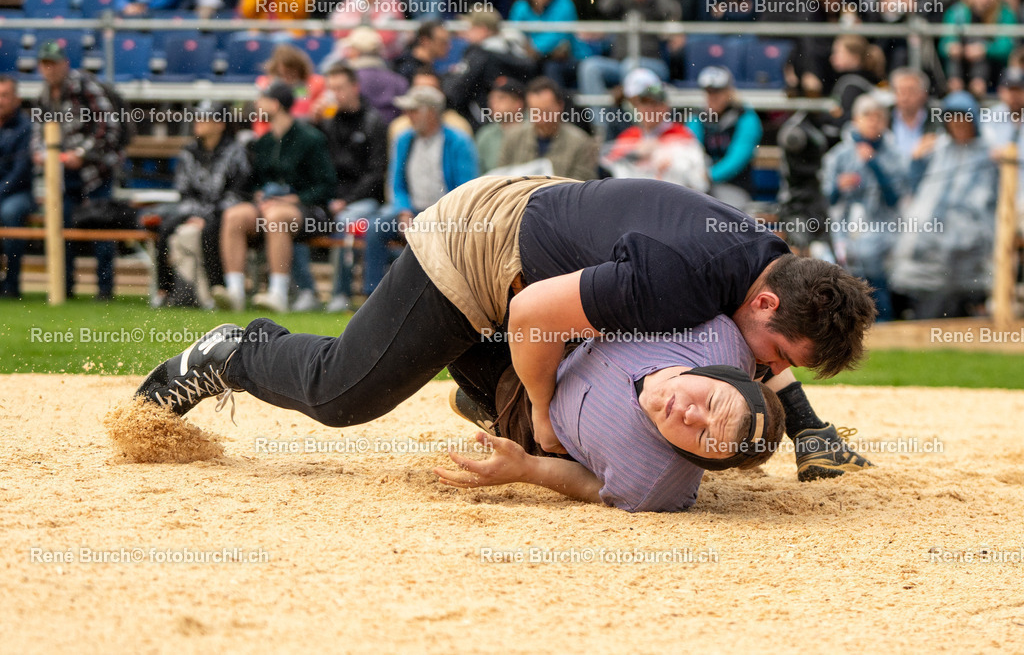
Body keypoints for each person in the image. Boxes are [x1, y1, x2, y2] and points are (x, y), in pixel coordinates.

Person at [136, 175, 877, 485]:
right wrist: (547, 414)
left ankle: (482, 389)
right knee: (345, 392)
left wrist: (807, 428)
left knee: (538, 409)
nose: (762, 363)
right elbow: (531, 313)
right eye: (776, 354)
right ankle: (233, 351)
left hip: (550, 236)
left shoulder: (770, 268)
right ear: (770, 306)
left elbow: (759, 355)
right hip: (482, 243)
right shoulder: (681, 278)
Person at [436, 315, 786, 511]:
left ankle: (487, 411)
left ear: (698, 461)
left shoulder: (653, 487)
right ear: (715, 373)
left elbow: (595, 487)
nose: (692, 416)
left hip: (525, 410)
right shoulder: (714, 334)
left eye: (705, 438)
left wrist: (528, 468)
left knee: (445, 331)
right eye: (710, 402)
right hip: (562, 331)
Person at [214, 81, 335, 313]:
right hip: (268, 207)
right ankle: (235, 292)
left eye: (262, 100)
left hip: (310, 211)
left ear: (276, 104)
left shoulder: (311, 138)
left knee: (276, 216)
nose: (257, 104)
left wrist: (295, 199)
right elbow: (256, 181)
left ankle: (277, 294)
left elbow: (326, 186)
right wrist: (258, 193)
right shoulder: (265, 142)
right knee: (234, 215)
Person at [889, 91, 998, 319]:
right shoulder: (937, 149)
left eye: (963, 119)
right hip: (930, 250)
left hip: (969, 253)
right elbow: (915, 189)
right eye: (952, 119)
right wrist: (917, 160)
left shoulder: (990, 154)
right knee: (931, 308)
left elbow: (988, 201)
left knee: (961, 309)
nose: (957, 125)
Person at [363, 85, 478, 294]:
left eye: (414, 111)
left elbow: (466, 190)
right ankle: (372, 294)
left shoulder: (459, 142)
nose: (408, 116)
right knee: (375, 229)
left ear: (432, 113)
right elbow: (397, 184)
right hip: (412, 210)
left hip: (447, 214)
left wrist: (436, 217)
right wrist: (404, 211)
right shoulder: (403, 139)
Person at [33, 42, 125, 301]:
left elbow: (110, 127)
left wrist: (82, 154)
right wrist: (40, 154)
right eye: (44, 64)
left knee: (101, 228)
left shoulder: (86, 87)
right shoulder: (43, 96)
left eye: (53, 63)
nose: (48, 69)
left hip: (97, 169)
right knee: (60, 225)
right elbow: (38, 133)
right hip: (62, 174)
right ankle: (65, 288)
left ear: (65, 64)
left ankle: (105, 291)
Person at [820, 93, 907, 322]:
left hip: (884, 226)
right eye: (867, 116)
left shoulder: (894, 153)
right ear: (856, 120)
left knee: (873, 265)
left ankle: (884, 321)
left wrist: (874, 164)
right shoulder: (839, 154)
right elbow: (825, 198)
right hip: (845, 227)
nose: (873, 121)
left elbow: (895, 198)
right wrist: (838, 186)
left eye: (878, 116)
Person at [156, 101, 251, 308]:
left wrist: (207, 215)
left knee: (211, 231)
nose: (198, 122)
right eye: (197, 117)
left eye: (205, 118)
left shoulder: (236, 152)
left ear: (220, 124)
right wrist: (196, 214)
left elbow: (238, 192)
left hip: (223, 211)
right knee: (165, 227)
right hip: (192, 209)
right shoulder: (188, 152)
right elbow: (183, 190)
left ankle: (217, 290)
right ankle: (164, 289)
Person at [314, 62, 389, 313]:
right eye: (331, 88)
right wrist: (312, 122)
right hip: (334, 198)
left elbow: (376, 174)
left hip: (366, 200)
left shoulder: (373, 122)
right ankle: (304, 291)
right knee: (292, 218)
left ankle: (340, 294)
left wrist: (346, 200)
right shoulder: (328, 123)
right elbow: (320, 166)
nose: (336, 94)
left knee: (346, 220)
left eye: (340, 87)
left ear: (355, 87)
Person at [603, 68, 707, 191]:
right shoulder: (629, 136)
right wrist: (635, 153)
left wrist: (663, 153)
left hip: (673, 201)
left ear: (665, 107)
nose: (650, 110)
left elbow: (700, 182)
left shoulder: (682, 135)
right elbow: (606, 164)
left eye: (655, 104)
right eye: (644, 104)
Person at [442, 9, 535, 130]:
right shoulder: (516, 49)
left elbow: (456, 90)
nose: (467, 32)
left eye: (471, 27)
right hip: (520, 121)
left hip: (485, 124)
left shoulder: (480, 54)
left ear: (483, 29)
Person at [687, 66, 763, 209]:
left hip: (735, 186)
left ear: (729, 91)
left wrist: (708, 176)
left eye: (718, 92)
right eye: (709, 92)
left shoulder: (745, 117)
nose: (712, 97)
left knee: (724, 214)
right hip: (700, 185)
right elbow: (691, 148)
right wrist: (697, 176)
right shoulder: (697, 117)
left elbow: (738, 158)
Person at [496, 77, 597, 179]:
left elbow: (581, 188)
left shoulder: (580, 143)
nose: (541, 119)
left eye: (546, 112)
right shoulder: (513, 137)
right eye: (535, 113)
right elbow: (501, 179)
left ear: (560, 106)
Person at [939, 0, 1015, 100]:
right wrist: (951, 47)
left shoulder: (1005, 13)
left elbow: (1008, 46)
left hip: (992, 68)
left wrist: (985, 49)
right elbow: (944, 43)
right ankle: (955, 86)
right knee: (957, 50)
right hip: (961, 63)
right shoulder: (956, 12)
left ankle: (978, 86)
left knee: (979, 40)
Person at [324, 27, 409, 124]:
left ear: (356, 52)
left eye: (350, 49)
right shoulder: (398, 80)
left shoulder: (348, 81)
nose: (348, 53)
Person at [0, 75, 33, 299]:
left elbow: (20, 173)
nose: (0, 100)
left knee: (10, 212)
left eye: (4, 95)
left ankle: (12, 283)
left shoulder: (26, 129)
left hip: (18, 192)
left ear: (17, 99)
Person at [888, 67, 939, 162]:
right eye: (900, 91)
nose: (905, 97)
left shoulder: (937, 117)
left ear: (924, 94)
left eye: (910, 91)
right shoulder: (883, 116)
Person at [475, 76, 525, 172]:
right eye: (491, 98)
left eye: (501, 98)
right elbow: (478, 175)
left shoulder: (534, 131)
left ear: (518, 104)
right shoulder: (485, 135)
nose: (493, 102)